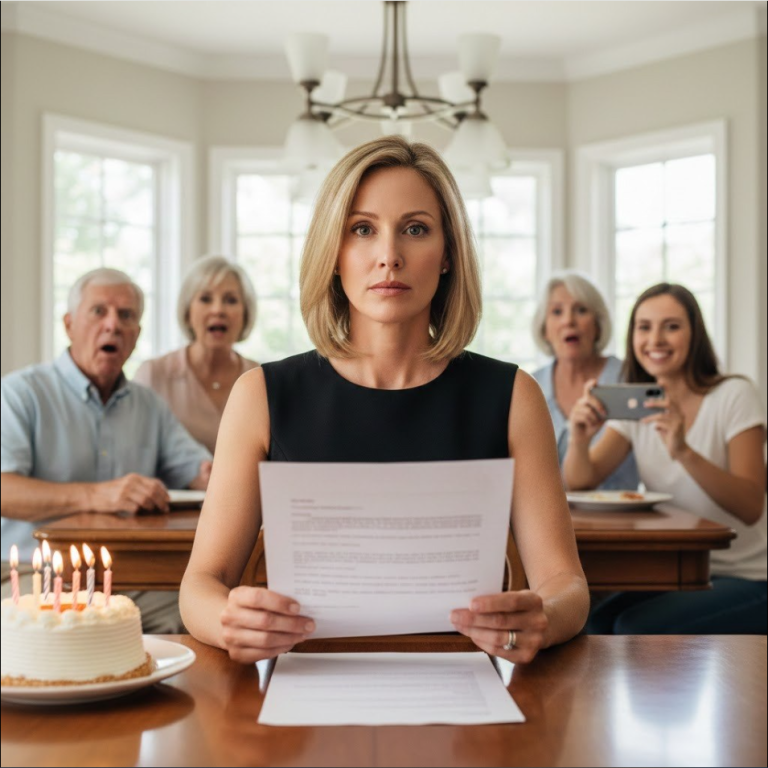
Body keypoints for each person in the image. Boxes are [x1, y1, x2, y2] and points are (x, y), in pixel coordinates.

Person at [180, 136, 589, 664]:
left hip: (467, 688)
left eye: (415, 229)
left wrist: (543, 618)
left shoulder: (513, 397)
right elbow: (200, 587)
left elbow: (566, 585)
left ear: (447, 255)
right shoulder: (260, 394)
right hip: (306, 688)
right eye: (362, 229)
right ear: (334, 253)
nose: (389, 256)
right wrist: (229, 620)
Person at [1, 268, 213, 633]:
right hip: (28, 573)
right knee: (63, 631)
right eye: (99, 311)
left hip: (126, 577)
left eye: (126, 315)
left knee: (199, 620)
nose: (113, 325)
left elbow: (200, 471)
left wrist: (230, 470)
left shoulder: (150, 406)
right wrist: (99, 495)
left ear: (136, 335)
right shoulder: (20, 393)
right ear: (69, 324)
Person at [564, 283, 766, 633]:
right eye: (644, 327)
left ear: (694, 334)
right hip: (682, 568)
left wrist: (683, 452)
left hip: (748, 576)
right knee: (594, 622)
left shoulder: (734, 395)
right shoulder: (640, 405)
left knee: (634, 628)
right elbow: (582, 480)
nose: (655, 339)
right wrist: (579, 438)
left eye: (671, 326)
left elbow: (751, 506)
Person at [134, 256, 259, 453]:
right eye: (205, 299)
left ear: (246, 313)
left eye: (231, 300)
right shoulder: (153, 374)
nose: (218, 310)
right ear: (187, 312)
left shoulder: (261, 378)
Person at [532, 271, 639, 490]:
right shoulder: (529, 386)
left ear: (598, 326)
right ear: (544, 329)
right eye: (557, 312)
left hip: (621, 518)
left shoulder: (629, 377)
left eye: (581, 310)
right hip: (545, 519)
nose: (569, 320)